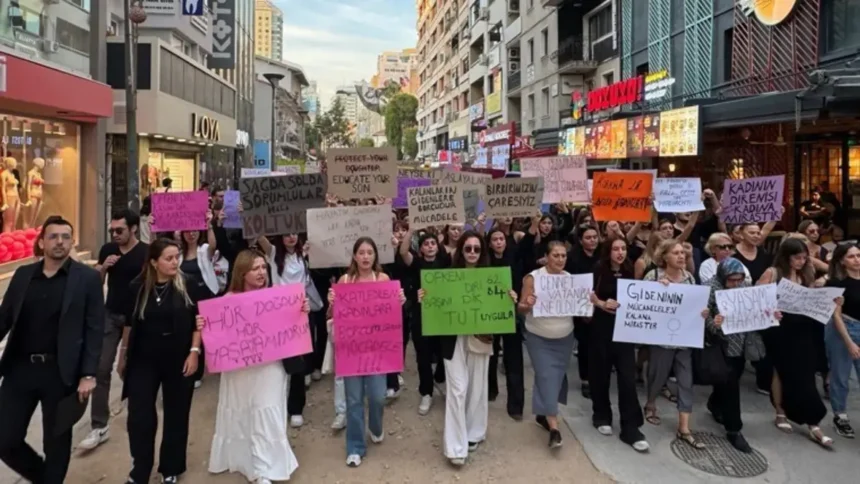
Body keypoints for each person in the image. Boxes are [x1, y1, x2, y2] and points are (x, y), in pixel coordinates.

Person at [0, 216, 104, 483]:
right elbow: (5, 317)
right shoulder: (24, 275)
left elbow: (94, 329)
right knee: (5, 439)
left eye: (66, 237)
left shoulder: (87, 279)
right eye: (54, 236)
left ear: (72, 241)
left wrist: (88, 374)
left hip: (61, 373)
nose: (60, 242)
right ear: (42, 241)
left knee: (56, 444)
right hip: (19, 370)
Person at [419, 231, 518, 466]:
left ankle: (474, 432)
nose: (472, 252)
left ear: (482, 252)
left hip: (480, 336)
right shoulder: (446, 276)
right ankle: (455, 447)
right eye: (468, 248)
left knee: (477, 386)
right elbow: (435, 303)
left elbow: (501, 304)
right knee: (457, 388)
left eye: (476, 248)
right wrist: (425, 296)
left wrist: (510, 297)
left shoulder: (493, 277)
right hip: (452, 339)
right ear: (460, 251)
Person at [208, 250, 304, 484]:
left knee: (267, 408)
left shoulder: (275, 297)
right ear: (242, 273)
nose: (262, 272)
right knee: (246, 412)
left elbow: (291, 324)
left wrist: (301, 311)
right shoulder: (228, 300)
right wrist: (205, 323)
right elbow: (219, 333)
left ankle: (264, 469)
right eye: (256, 268)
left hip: (270, 366)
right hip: (241, 369)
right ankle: (249, 460)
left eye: (264, 267)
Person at [118, 238, 205, 484]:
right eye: (169, 258)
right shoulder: (137, 287)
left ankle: (170, 468)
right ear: (154, 262)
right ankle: (140, 470)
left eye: (177, 256)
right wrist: (122, 354)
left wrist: (194, 351)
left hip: (178, 358)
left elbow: (199, 320)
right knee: (140, 417)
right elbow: (128, 323)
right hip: (143, 360)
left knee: (177, 413)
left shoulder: (187, 284)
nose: (175, 262)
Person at [328, 237, 406, 467]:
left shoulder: (382, 279)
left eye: (369, 252)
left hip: (377, 350)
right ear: (354, 256)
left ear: (375, 256)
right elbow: (336, 314)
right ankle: (355, 447)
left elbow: (390, 312)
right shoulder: (345, 280)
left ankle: (375, 426)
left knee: (378, 396)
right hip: (352, 351)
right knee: (353, 400)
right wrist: (332, 300)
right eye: (361, 252)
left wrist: (399, 300)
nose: (365, 257)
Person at [80, 209, 149, 451]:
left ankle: (138, 413)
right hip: (110, 315)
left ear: (133, 229)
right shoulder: (108, 250)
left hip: (138, 318)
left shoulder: (145, 252)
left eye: (120, 230)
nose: (115, 235)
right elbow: (95, 285)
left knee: (130, 367)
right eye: (112, 231)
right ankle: (99, 424)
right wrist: (102, 269)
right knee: (101, 367)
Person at [758, 238, 833, 447]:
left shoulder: (805, 274)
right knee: (780, 370)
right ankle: (781, 412)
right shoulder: (773, 273)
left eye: (803, 258)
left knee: (806, 370)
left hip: (802, 328)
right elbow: (756, 298)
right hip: (780, 329)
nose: (801, 261)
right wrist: (770, 309)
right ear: (786, 256)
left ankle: (812, 418)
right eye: (797, 258)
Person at [643, 239, 709, 450]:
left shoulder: (689, 278)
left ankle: (684, 427)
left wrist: (703, 312)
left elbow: (695, 305)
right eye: (676, 253)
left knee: (685, 381)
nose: (681, 257)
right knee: (657, 375)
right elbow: (642, 302)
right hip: (661, 339)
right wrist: (657, 289)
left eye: (683, 253)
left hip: (684, 340)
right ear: (664, 257)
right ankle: (651, 403)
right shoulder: (653, 276)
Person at [705, 258, 773, 453]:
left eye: (739, 280)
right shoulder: (711, 288)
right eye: (732, 280)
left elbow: (757, 308)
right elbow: (703, 314)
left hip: (742, 343)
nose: (736, 284)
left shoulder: (745, 286)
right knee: (731, 385)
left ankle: (715, 404)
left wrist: (770, 314)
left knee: (731, 378)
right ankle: (734, 429)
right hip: (722, 345)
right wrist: (713, 323)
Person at [588, 237, 650, 452]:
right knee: (600, 374)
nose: (620, 252)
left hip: (624, 331)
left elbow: (643, 292)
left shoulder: (631, 269)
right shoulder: (598, 269)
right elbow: (588, 295)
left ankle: (630, 427)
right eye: (616, 249)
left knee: (627, 379)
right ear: (608, 251)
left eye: (623, 248)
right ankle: (601, 415)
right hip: (601, 330)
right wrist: (601, 303)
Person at [258, 233, 322, 428]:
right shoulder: (273, 252)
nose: (291, 237)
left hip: (301, 313)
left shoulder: (305, 253)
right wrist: (249, 214)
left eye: (294, 233)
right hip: (278, 314)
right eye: (286, 234)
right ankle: (275, 405)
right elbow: (260, 236)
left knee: (298, 363)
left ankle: (295, 408)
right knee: (278, 364)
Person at [518, 241, 575, 449]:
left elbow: (580, 305)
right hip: (539, 338)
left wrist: (591, 301)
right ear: (546, 257)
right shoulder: (534, 278)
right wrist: (528, 304)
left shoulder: (570, 279)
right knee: (545, 375)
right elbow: (521, 308)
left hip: (565, 338)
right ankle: (554, 428)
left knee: (556, 377)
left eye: (563, 256)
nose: (560, 259)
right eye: (556, 255)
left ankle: (542, 414)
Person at [400, 227, 451, 415]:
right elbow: (403, 251)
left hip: (443, 316)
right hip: (422, 315)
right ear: (420, 249)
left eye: (433, 243)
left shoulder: (446, 262)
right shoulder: (416, 264)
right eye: (426, 244)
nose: (430, 246)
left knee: (444, 352)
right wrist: (411, 230)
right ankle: (426, 393)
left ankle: (440, 379)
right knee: (423, 356)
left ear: (437, 247)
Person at [486, 227, 525, 420]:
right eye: (495, 239)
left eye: (502, 238)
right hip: (489, 316)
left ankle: (516, 405)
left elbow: (522, 283)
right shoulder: (484, 263)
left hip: (511, 315)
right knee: (489, 356)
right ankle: (490, 391)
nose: (499, 242)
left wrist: (517, 297)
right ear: (490, 243)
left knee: (513, 359)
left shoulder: (515, 260)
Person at [824, 243, 860, 438]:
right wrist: (849, 342)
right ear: (842, 261)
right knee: (841, 374)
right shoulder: (837, 283)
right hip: (844, 328)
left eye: (858, 255)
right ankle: (840, 416)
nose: (857, 260)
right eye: (851, 257)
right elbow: (836, 315)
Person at [566, 224, 600, 399]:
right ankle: (585, 379)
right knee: (585, 345)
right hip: (581, 308)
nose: (592, 240)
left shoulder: (602, 255)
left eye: (595, 237)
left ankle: (597, 377)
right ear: (580, 240)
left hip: (600, 306)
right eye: (588, 237)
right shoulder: (572, 258)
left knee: (598, 344)